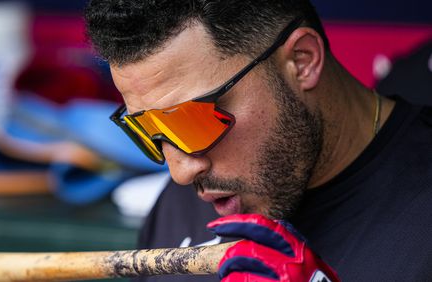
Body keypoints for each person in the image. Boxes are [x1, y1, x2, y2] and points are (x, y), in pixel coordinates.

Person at [84, 1, 432, 281]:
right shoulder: (178, 208)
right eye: (147, 130)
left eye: (192, 121)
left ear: (302, 61)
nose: (180, 172)